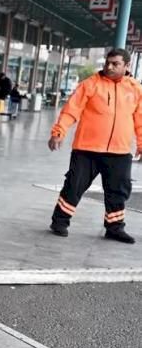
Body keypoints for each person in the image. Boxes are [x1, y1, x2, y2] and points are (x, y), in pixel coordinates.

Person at [48, 48, 142, 243]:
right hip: (87, 149)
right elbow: (71, 110)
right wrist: (58, 132)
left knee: (118, 191)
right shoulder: (90, 84)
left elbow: (140, 120)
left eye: (115, 64)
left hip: (119, 151)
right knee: (74, 186)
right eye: (108, 63)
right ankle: (60, 222)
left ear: (127, 65)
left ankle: (115, 228)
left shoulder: (135, 89)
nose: (110, 67)